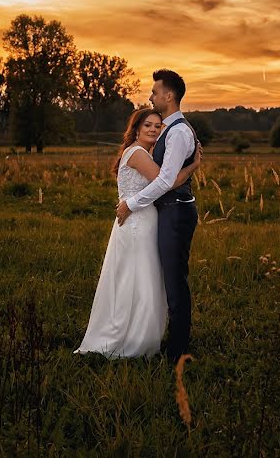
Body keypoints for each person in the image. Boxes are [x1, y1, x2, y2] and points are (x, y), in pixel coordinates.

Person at [75, 108, 202, 358]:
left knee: (140, 279)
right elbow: (167, 183)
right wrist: (194, 165)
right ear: (136, 129)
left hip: (139, 221)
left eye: (158, 126)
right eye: (148, 126)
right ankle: (133, 339)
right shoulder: (138, 153)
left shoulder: (142, 152)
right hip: (137, 224)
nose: (154, 129)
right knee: (139, 280)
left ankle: (139, 334)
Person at [115, 69, 198, 364]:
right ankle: (165, 341)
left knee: (174, 281)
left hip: (175, 212)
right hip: (167, 211)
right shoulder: (169, 130)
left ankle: (178, 352)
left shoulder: (178, 132)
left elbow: (164, 181)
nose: (151, 96)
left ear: (169, 96)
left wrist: (131, 204)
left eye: (154, 92)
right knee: (165, 279)